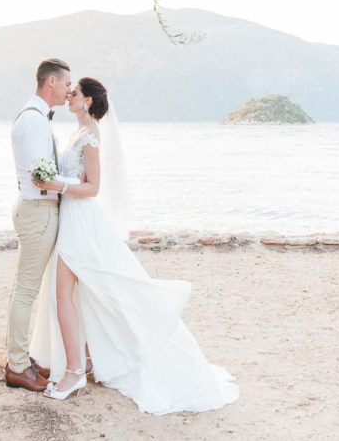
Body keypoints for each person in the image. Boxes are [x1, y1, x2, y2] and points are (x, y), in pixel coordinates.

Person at [29, 77, 239, 414]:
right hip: (72, 218)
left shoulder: (92, 136)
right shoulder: (77, 135)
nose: (68, 95)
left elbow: (93, 188)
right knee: (77, 294)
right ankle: (82, 360)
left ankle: (73, 372)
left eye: (75, 93)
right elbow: (79, 181)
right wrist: (60, 184)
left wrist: (57, 184)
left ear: (87, 102)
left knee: (62, 294)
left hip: (82, 221)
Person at [5, 58, 79, 392]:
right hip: (38, 211)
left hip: (38, 209)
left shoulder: (35, 118)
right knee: (26, 292)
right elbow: (40, 176)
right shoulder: (33, 121)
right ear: (51, 82)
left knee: (28, 289)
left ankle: (22, 359)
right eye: (66, 84)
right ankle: (18, 367)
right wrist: (77, 183)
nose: (68, 91)